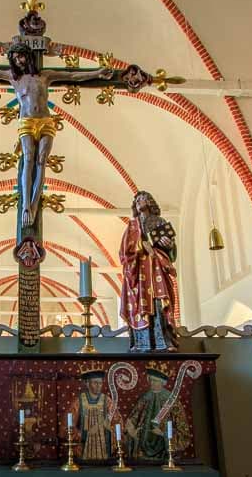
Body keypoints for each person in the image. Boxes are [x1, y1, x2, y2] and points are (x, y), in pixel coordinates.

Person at [0, 45, 112, 228]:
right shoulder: (13, 77)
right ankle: (26, 205)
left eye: (21, 57)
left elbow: (72, 76)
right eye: (15, 58)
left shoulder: (45, 76)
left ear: (28, 56)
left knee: (41, 160)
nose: (19, 61)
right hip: (27, 122)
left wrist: (98, 73)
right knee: (28, 159)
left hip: (45, 121)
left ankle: (34, 205)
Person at [119, 191, 179, 352]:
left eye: (142, 199)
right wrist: (141, 245)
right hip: (138, 271)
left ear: (150, 201)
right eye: (136, 200)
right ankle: (142, 342)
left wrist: (169, 245)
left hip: (157, 266)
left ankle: (165, 341)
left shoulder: (160, 221)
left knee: (160, 302)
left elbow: (171, 251)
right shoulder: (132, 225)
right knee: (139, 304)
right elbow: (124, 251)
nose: (138, 202)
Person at [125, 365, 190, 461]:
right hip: (143, 445)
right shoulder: (145, 397)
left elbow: (182, 427)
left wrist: (164, 433)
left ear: (162, 382)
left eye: (155, 380)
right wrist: (131, 426)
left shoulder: (171, 400)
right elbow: (135, 417)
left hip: (163, 446)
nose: (152, 383)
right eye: (150, 380)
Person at [65, 368, 120, 461]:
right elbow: (69, 424)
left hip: (103, 444)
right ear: (87, 383)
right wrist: (81, 435)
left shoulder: (107, 401)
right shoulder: (79, 401)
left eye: (100, 383)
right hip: (85, 443)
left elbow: (117, 422)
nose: (98, 386)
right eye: (95, 383)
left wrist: (109, 428)